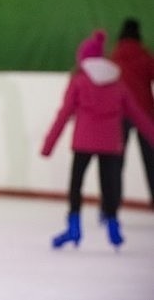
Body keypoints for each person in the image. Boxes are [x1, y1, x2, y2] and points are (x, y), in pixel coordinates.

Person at [41, 29, 154, 249]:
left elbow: (64, 114)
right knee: (109, 184)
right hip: (110, 143)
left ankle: (74, 226)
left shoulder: (79, 81)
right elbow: (138, 115)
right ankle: (113, 225)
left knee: (76, 184)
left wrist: (48, 145)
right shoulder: (118, 82)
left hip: (83, 141)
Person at [110, 18, 154, 209]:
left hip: (120, 113)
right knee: (152, 160)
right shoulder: (146, 57)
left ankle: (111, 204)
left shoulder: (113, 58)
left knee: (115, 161)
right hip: (145, 112)